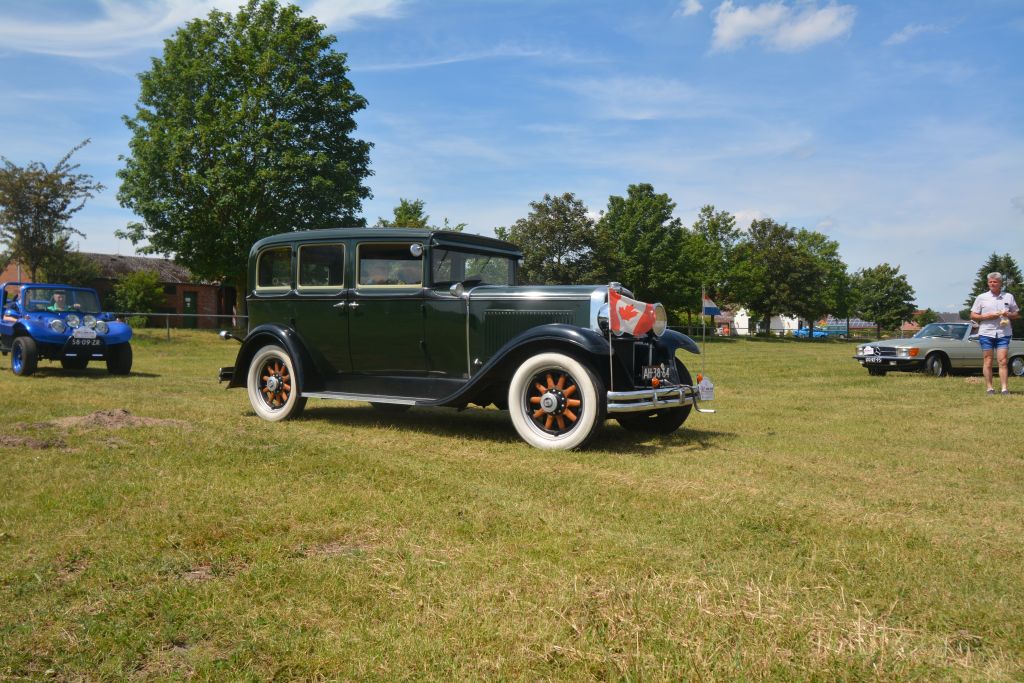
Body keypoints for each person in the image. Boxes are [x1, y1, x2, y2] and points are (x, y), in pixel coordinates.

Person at [970, 272, 1020, 395]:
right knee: (988, 359)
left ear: (1000, 283)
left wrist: (1008, 314)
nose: (992, 284)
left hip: (1004, 333)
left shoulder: (1008, 296)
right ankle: (989, 388)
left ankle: (1004, 389)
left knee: (1002, 360)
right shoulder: (981, 297)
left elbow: (1016, 314)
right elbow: (973, 315)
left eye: (995, 282)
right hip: (986, 333)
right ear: (988, 283)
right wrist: (985, 316)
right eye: (990, 282)